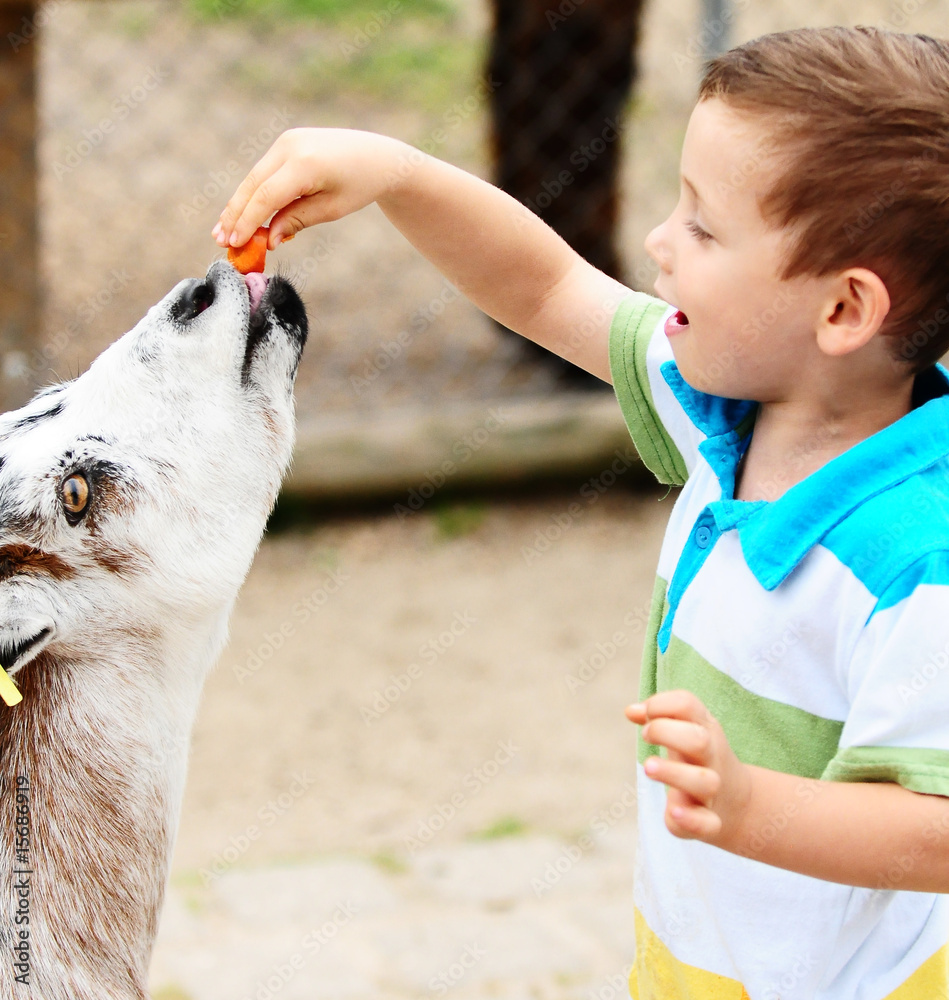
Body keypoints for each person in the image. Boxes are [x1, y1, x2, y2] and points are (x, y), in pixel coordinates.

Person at [213, 26, 949, 999]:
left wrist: (748, 804)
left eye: (702, 225)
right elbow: (545, 284)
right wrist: (395, 173)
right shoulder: (723, 407)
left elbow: (933, 825)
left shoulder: (915, 561)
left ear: (843, 312)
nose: (658, 240)